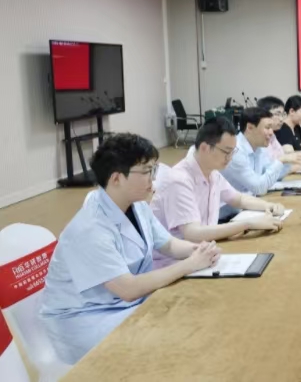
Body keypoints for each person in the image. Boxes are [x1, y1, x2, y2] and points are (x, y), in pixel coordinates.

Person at [39, 133, 221, 364]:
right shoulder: (89, 228)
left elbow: (168, 244)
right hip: (86, 319)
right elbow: (128, 289)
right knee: (175, 332)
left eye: (153, 170)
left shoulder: (136, 205)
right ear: (117, 178)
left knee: (189, 308)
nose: (153, 179)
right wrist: (190, 264)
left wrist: (199, 250)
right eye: (146, 171)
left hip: (121, 304)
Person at [151, 117, 285, 259]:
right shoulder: (179, 180)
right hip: (175, 261)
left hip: (204, 253)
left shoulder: (212, 173)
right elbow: (193, 233)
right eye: (226, 152)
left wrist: (269, 206)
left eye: (233, 152)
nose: (230, 158)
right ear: (205, 148)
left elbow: (238, 199)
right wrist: (249, 224)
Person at [221, 107, 301, 195]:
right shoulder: (235, 151)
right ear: (250, 128)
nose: (271, 132)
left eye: (271, 128)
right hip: (233, 205)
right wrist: (281, 160)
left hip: (250, 201)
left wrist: (288, 162)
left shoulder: (259, 147)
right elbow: (258, 188)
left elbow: (268, 174)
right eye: (267, 128)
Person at [257, 96, 301, 165]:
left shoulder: (272, 136)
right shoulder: (281, 129)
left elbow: (283, 158)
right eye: (277, 114)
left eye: (282, 115)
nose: (281, 119)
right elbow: (286, 158)